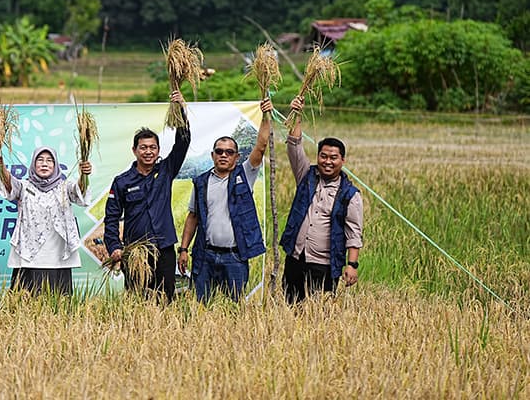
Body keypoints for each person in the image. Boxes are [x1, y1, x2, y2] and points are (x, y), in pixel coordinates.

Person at [177, 98, 273, 302]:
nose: (223, 155)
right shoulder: (201, 182)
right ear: (212, 155)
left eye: (229, 152)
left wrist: (266, 116)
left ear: (236, 157)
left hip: (235, 257)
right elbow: (192, 217)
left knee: (234, 308)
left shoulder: (244, 175)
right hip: (205, 256)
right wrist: (184, 249)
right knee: (202, 306)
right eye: (219, 151)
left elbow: (261, 146)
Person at [104, 90, 190, 302]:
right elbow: (112, 218)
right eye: (143, 148)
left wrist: (181, 110)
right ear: (134, 150)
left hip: (164, 250)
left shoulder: (166, 170)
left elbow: (183, 143)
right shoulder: (122, 181)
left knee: (165, 300)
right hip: (135, 252)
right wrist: (114, 246)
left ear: (159, 149)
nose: (148, 151)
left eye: (153, 147)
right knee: (137, 302)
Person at [280, 95, 364, 304]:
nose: (327, 162)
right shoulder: (305, 176)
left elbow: (354, 232)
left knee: (319, 318)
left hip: (324, 265)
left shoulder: (350, 194)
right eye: (323, 156)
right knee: (291, 311)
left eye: (333, 158)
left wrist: (352, 265)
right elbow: (294, 146)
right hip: (296, 259)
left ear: (342, 161)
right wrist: (297, 114)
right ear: (318, 157)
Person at [0, 147, 93, 295]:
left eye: (49, 161)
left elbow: (79, 191)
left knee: (59, 306)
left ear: (56, 165)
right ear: (33, 164)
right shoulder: (24, 186)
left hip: (58, 257)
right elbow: (9, 183)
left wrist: (84, 174)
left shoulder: (65, 187)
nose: (45, 164)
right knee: (25, 304)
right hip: (29, 257)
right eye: (40, 160)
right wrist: (0, 166)